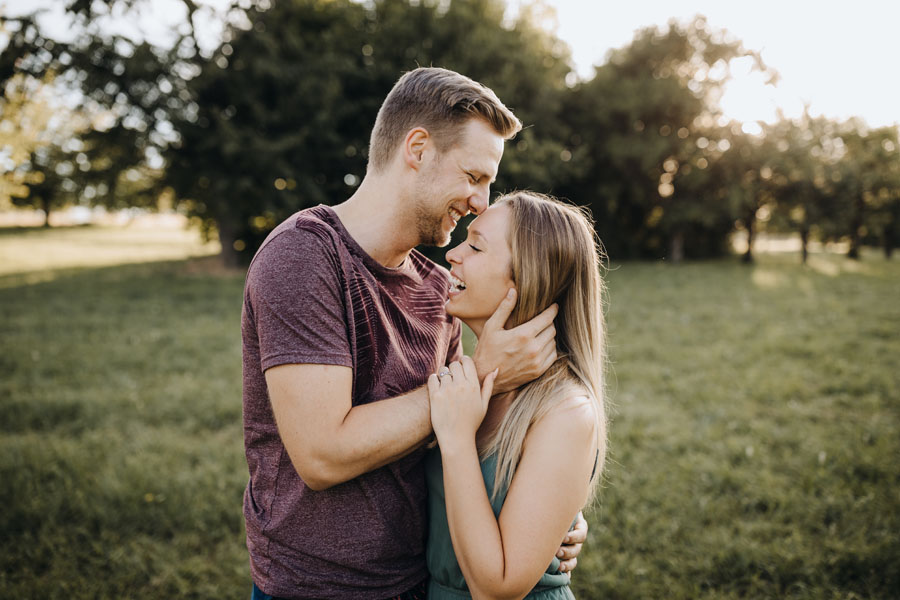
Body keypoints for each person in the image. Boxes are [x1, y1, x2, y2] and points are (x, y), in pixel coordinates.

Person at [241, 67, 587, 600]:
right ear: (418, 148)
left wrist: (549, 517)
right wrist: (482, 373)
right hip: (316, 589)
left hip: (420, 583)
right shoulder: (305, 256)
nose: (481, 200)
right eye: (474, 176)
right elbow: (322, 455)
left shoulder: (438, 290)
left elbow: (449, 438)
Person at [425, 191, 608, 599]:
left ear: (527, 277)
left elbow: (498, 589)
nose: (452, 255)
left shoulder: (565, 412)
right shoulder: (462, 376)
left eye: (474, 246)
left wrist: (456, 440)